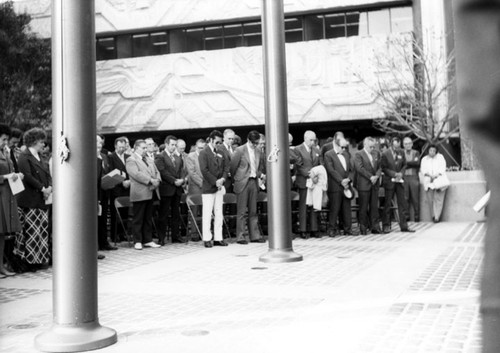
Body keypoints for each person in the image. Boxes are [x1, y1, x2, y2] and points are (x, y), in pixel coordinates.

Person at [15, 128, 53, 270]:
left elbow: (47, 173)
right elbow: (27, 176)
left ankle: (40, 259)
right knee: (31, 232)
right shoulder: (24, 157)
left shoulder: (40, 156)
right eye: (42, 142)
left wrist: (49, 187)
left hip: (41, 200)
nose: (44, 145)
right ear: (35, 141)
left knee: (41, 232)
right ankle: (29, 262)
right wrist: (43, 189)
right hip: (29, 200)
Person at [230, 130, 266, 244]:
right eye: (253, 143)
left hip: (254, 182)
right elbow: (233, 167)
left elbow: (259, 167)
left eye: (257, 143)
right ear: (248, 140)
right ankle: (240, 236)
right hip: (242, 182)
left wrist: (261, 175)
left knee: (253, 211)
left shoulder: (259, 150)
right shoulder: (240, 150)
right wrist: (237, 180)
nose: (255, 145)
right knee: (241, 212)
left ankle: (254, 236)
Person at [126, 139, 162, 250]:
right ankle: (137, 240)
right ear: (136, 148)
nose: (146, 150)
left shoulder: (148, 159)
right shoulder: (131, 159)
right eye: (143, 148)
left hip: (151, 190)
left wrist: (157, 180)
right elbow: (136, 174)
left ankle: (148, 240)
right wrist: (150, 180)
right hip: (139, 192)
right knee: (138, 218)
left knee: (148, 217)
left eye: (146, 148)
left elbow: (157, 171)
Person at [198, 130, 229, 247]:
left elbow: (226, 168)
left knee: (219, 213)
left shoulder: (221, 152)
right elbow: (204, 170)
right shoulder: (204, 153)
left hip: (219, 187)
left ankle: (218, 237)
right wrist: (215, 181)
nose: (218, 144)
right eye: (216, 142)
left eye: (220, 142)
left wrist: (222, 179)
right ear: (210, 140)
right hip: (208, 187)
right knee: (207, 213)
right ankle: (207, 238)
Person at [0, 124, 23, 277]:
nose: (6, 142)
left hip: (6, 196)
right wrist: (5, 177)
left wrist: (15, 175)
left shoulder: (5, 153)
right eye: (3, 139)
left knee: (2, 234)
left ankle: (1, 265)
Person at [154, 135, 186, 244]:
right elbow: (162, 172)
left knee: (176, 214)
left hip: (177, 190)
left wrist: (181, 179)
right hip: (167, 189)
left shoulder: (178, 157)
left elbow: (181, 170)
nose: (174, 147)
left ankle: (175, 236)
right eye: (172, 145)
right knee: (163, 215)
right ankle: (161, 238)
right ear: (166, 144)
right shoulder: (160, 156)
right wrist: (174, 181)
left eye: (175, 145)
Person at [381, 136, 415, 233]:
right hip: (389, 181)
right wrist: (394, 174)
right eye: (395, 147)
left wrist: (401, 173)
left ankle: (404, 226)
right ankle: (386, 226)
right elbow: (384, 168)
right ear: (391, 144)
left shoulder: (401, 152)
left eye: (398, 146)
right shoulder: (385, 154)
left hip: (399, 182)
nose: (397, 148)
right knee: (387, 204)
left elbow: (404, 165)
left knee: (402, 204)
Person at [324, 137, 355, 236]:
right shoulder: (328, 154)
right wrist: (341, 181)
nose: (344, 149)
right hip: (335, 186)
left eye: (346, 147)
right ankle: (332, 229)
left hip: (346, 186)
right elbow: (331, 170)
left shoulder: (346, 154)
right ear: (336, 145)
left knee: (346, 209)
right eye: (342, 147)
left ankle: (348, 229)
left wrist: (349, 179)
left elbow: (351, 169)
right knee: (335, 208)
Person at [294, 130, 321, 238]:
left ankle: (314, 229)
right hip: (304, 180)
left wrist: (317, 175)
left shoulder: (316, 149)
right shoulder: (297, 149)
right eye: (311, 140)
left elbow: (319, 164)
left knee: (314, 205)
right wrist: (310, 174)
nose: (313, 142)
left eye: (314, 140)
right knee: (304, 206)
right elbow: (299, 165)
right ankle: (303, 229)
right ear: (305, 138)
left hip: (315, 181)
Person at [354, 137, 382, 235]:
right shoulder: (358, 154)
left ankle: (375, 227)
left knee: (374, 206)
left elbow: (379, 166)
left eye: (374, 146)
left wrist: (377, 176)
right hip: (364, 184)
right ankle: (363, 227)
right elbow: (359, 168)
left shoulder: (376, 153)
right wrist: (371, 177)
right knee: (363, 207)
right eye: (370, 146)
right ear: (365, 144)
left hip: (374, 184)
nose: (372, 148)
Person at [108, 136, 131, 242]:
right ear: (115, 146)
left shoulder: (128, 156)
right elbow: (111, 172)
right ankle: (114, 235)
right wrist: (122, 182)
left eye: (123, 147)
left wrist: (129, 181)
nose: (122, 149)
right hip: (116, 188)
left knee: (125, 212)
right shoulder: (111, 157)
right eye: (119, 147)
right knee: (115, 213)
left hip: (128, 188)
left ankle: (123, 233)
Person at [97, 135, 117, 251]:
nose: (99, 144)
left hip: (105, 191)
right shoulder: (89, 156)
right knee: (96, 219)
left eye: (100, 143)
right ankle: (96, 244)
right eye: (97, 142)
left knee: (103, 218)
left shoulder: (105, 156)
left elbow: (108, 171)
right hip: (96, 191)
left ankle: (104, 242)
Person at [420, 145, 449, 223]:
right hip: (428, 181)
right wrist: (429, 175)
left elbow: (442, 168)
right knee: (430, 199)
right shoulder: (424, 159)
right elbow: (423, 169)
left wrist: (436, 175)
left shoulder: (440, 157)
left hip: (439, 180)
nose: (432, 152)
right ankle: (433, 215)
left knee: (438, 199)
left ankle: (437, 216)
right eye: (430, 150)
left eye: (433, 150)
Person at [185, 139, 206, 240]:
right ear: (196, 147)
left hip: (206, 187)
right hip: (195, 187)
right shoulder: (191, 156)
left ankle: (204, 232)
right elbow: (192, 173)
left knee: (204, 211)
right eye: (200, 148)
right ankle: (194, 234)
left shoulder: (206, 155)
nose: (202, 150)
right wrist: (202, 183)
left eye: (203, 148)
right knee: (195, 211)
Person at [403, 136, 421, 222]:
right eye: (406, 144)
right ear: (403, 145)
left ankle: (417, 216)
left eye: (409, 143)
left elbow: (417, 163)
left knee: (415, 198)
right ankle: (407, 216)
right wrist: (410, 164)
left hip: (414, 176)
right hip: (404, 177)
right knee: (405, 198)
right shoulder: (401, 153)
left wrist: (406, 164)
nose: (408, 145)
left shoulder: (416, 152)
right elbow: (400, 165)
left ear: (412, 144)